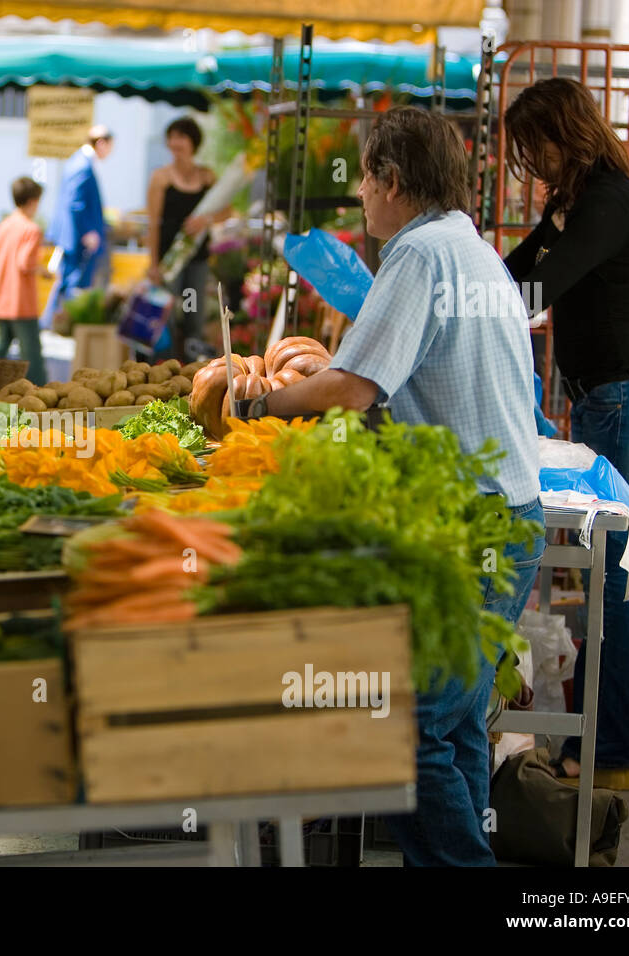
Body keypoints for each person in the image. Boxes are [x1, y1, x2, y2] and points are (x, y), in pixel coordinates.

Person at [238, 107, 545, 866]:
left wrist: (262, 403)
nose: (362, 200)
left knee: (408, 732)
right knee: (460, 725)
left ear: (392, 181)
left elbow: (353, 388)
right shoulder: (477, 253)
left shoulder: (418, 256)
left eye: (367, 183)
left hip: (472, 524)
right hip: (511, 514)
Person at [503, 77, 629, 791]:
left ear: (562, 129)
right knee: (621, 576)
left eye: (533, 145)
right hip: (608, 399)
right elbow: (518, 268)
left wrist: (482, 309)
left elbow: (546, 288)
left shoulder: (610, 196)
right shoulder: (572, 200)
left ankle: (605, 756)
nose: (530, 163)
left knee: (613, 577)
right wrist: (462, 283)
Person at [146, 117, 220, 361]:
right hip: (169, 261)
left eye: (181, 137)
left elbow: (228, 211)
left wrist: (205, 220)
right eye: (172, 137)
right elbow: (153, 224)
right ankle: (164, 371)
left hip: (197, 260)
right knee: (165, 319)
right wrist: (153, 264)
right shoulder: (161, 178)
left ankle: (191, 375)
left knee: (193, 315)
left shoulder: (207, 177)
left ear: (193, 142)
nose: (175, 142)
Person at [41, 125, 113, 328]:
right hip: (77, 237)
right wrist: (88, 231)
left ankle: (53, 323)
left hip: (75, 236)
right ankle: (57, 324)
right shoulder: (82, 165)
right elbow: (75, 204)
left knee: (67, 282)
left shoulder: (80, 162)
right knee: (73, 284)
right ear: (101, 143)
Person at [0, 177, 46, 384]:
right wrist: (43, 270)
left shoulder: (3, 226)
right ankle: (39, 394)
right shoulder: (31, 229)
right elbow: (25, 262)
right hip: (20, 302)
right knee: (31, 356)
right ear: (33, 201)